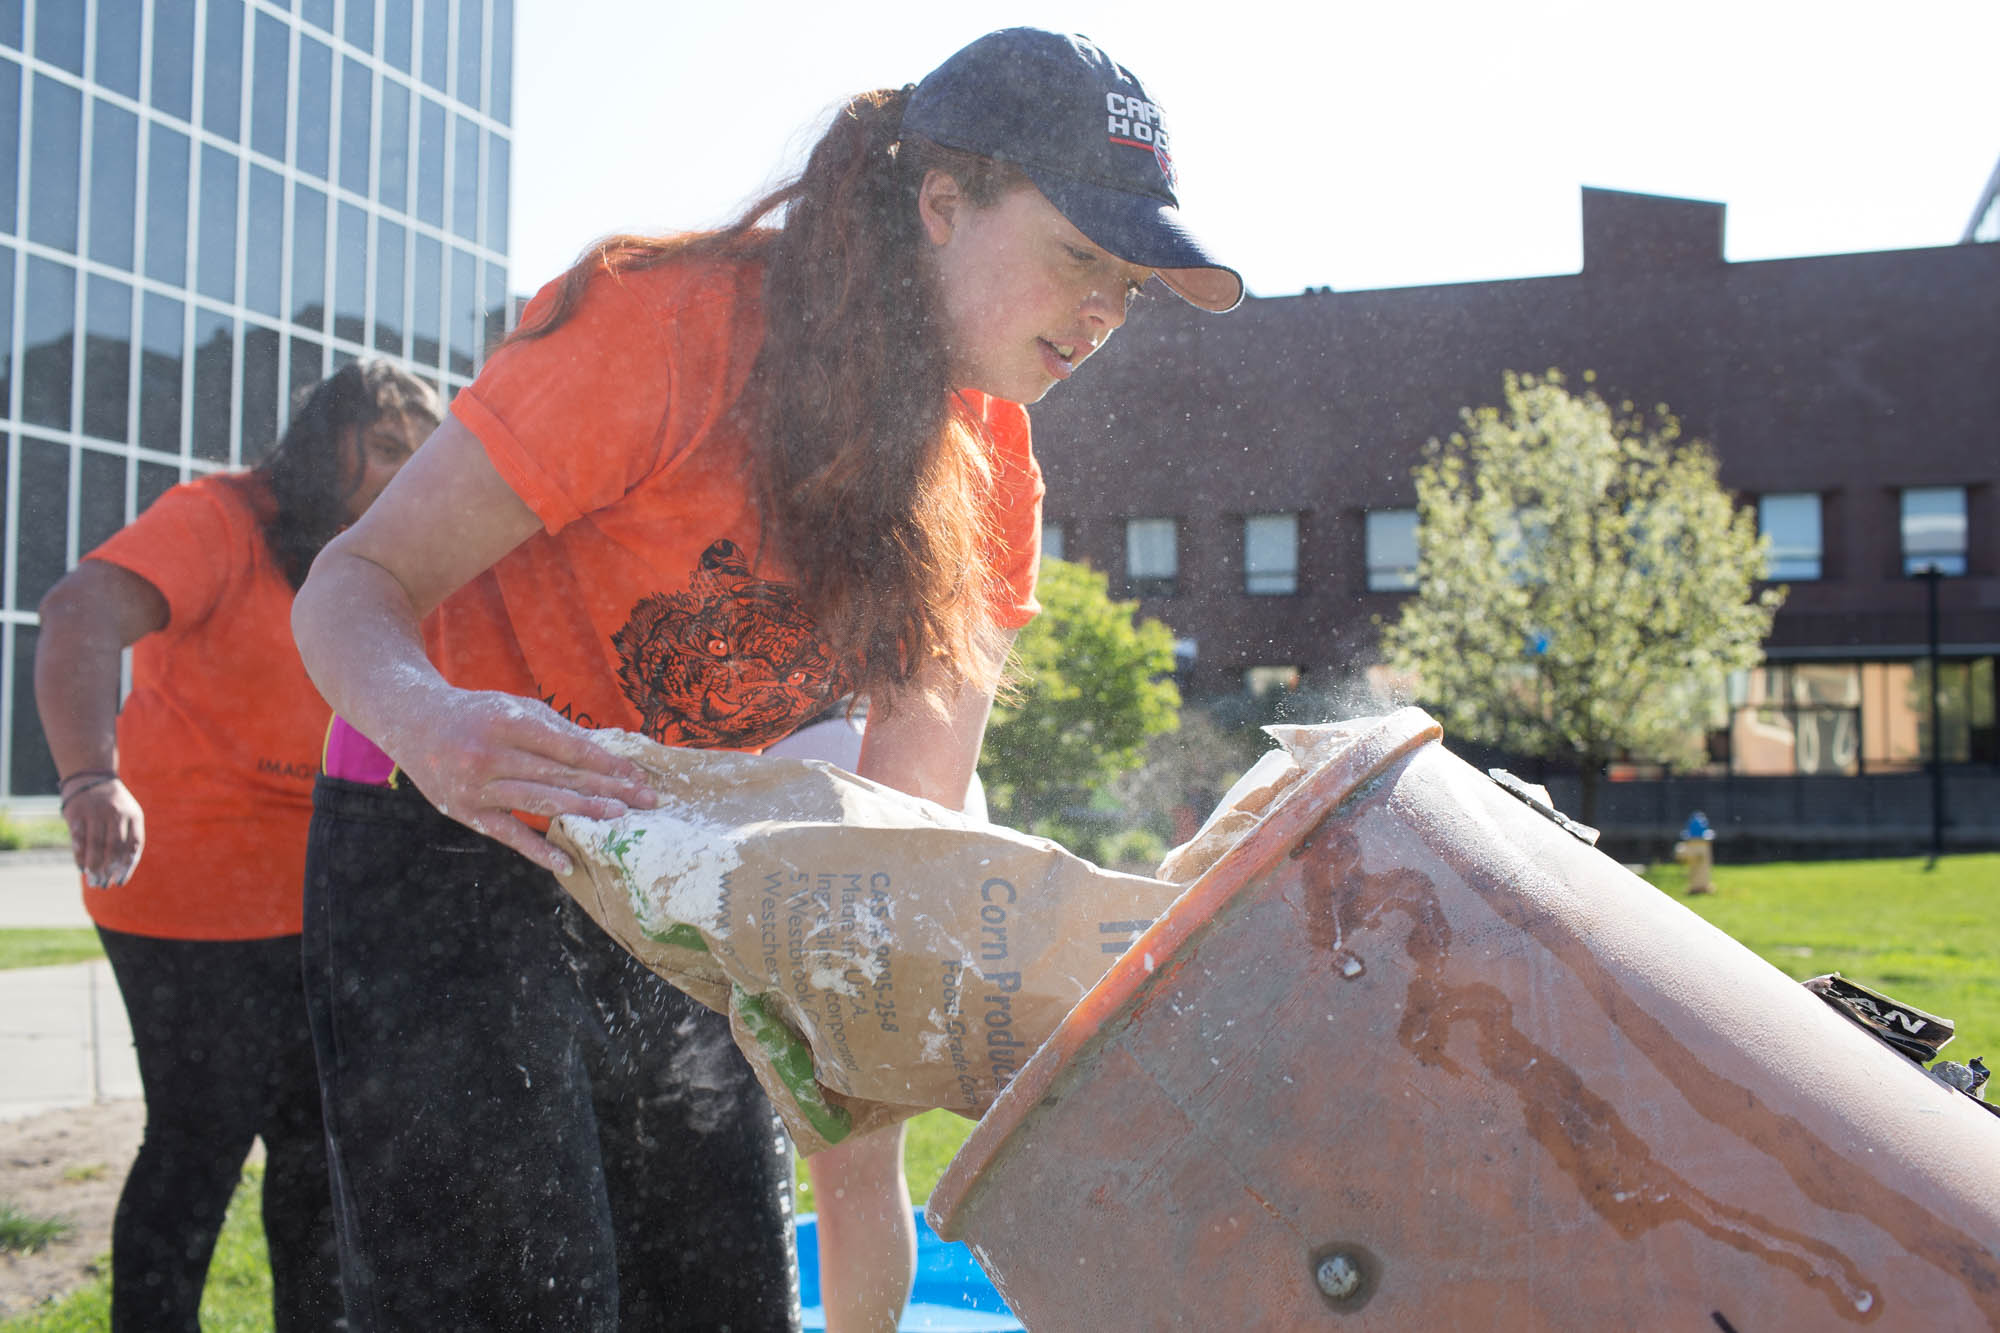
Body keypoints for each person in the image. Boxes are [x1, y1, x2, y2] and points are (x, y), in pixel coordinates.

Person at [290, 27, 1240, 1333]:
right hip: (446, 822)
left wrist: (881, 1021)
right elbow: (352, 583)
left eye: (1132, 287)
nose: (1104, 315)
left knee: (720, 1298)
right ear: (941, 201)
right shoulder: (668, 327)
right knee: (515, 1298)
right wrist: (436, 725)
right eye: (1083, 257)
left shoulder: (993, 469)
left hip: (685, 857)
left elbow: (906, 829)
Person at [33, 359, 440, 1332]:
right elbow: (78, 613)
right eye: (384, 447)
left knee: (316, 1152)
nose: (401, 476)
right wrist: (91, 776)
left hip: (316, 901)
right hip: (183, 896)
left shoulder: (379, 558)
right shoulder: (219, 515)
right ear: (319, 441)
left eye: (419, 459)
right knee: (198, 1141)